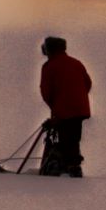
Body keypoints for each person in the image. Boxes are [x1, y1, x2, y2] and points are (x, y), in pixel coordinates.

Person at [39, 36, 92, 177]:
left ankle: (68, 166)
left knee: (66, 138)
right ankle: (72, 165)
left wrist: (56, 110)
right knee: (73, 138)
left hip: (64, 111)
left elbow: (46, 92)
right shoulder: (76, 63)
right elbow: (88, 83)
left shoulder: (49, 66)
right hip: (80, 109)